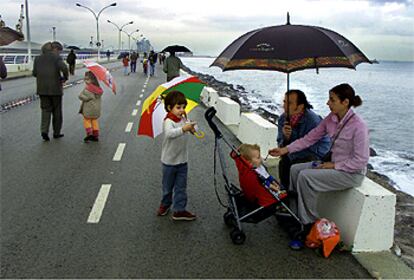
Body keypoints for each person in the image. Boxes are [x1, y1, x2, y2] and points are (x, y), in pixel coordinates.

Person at [268, 83, 369, 228]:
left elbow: (361, 161)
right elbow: (310, 138)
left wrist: (334, 165)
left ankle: (308, 222)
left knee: (305, 176)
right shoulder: (331, 118)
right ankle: (294, 212)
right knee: (295, 170)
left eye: (332, 100)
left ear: (345, 102)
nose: (328, 103)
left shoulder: (359, 126)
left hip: (351, 173)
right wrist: (285, 149)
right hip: (333, 166)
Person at [277, 90, 330, 188]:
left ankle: (295, 193)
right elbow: (280, 144)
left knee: (295, 167)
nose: (284, 106)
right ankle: (284, 192)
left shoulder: (312, 121)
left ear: (300, 106)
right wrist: (286, 137)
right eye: (284, 102)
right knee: (283, 163)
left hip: (314, 154)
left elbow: (312, 146)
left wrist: (290, 151)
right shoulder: (283, 119)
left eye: (289, 103)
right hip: (295, 152)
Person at [157, 90, 197, 221]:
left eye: (183, 107)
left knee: (181, 187)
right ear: (169, 108)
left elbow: (194, 130)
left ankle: (179, 210)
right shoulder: (168, 121)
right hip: (169, 162)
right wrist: (183, 129)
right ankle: (165, 204)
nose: (182, 110)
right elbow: (169, 134)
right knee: (167, 187)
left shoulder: (184, 119)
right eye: (178, 107)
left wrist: (192, 127)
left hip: (182, 161)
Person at [33, 41, 68, 141]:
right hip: (55, 89)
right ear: (54, 49)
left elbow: (35, 73)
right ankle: (56, 133)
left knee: (45, 110)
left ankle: (44, 131)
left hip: (42, 89)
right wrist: (64, 77)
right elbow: (64, 68)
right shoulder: (56, 58)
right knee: (57, 111)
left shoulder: (37, 58)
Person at [78, 71, 103, 142]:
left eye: (87, 79)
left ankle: (89, 133)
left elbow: (80, 96)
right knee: (94, 120)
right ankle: (95, 135)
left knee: (87, 120)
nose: (86, 81)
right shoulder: (99, 89)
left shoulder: (87, 89)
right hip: (96, 110)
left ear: (92, 80)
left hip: (88, 109)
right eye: (85, 79)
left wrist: (86, 98)